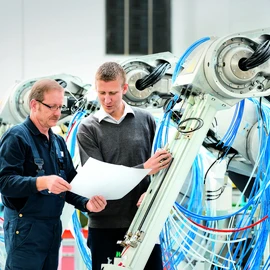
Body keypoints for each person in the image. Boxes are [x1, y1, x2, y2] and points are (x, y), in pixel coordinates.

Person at [0, 79, 107, 270]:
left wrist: (86, 203)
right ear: (34, 105)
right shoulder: (16, 137)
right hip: (25, 229)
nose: (57, 113)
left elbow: (70, 183)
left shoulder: (57, 142)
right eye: (52, 107)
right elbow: (4, 182)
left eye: (60, 107)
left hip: (52, 228)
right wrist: (41, 182)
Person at [76, 62, 172, 270]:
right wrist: (144, 168)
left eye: (113, 92)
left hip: (143, 222)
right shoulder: (88, 129)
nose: (107, 100)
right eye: (101, 93)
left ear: (125, 89)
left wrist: (151, 192)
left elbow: (161, 167)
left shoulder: (146, 120)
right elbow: (100, 179)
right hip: (106, 226)